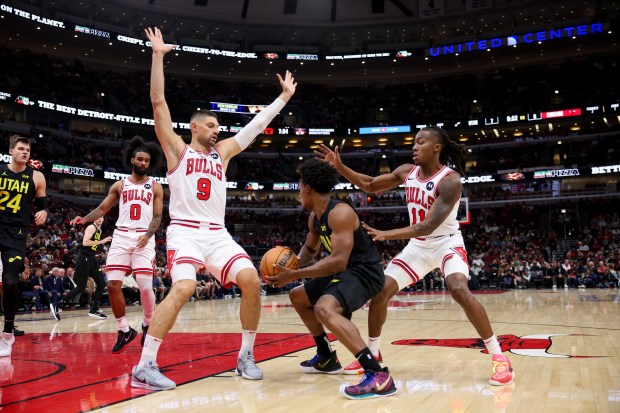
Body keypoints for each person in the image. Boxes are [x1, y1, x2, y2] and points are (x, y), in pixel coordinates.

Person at [130, 27, 297, 391]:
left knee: (252, 279)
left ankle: (245, 356)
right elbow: (158, 103)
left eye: (218, 126)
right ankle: (145, 365)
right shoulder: (177, 149)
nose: (216, 131)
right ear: (193, 127)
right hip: (186, 231)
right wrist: (157, 55)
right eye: (210, 125)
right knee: (185, 287)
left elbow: (255, 127)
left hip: (217, 234)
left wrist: (282, 99)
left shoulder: (222, 154)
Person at [315, 126, 514, 386]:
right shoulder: (408, 171)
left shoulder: (450, 180)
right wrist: (339, 166)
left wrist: (387, 234)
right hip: (418, 247)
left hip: (446, 242)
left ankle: (499, 358)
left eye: (421, 142)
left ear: (436, 147)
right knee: (380, 291)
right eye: (414, 142)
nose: (414, 147)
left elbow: (428, 225)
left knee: (458, 288)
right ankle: (373, 352)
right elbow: (370, 185)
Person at [267, 159, 396, 400]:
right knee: (297, 296)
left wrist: (293, 275)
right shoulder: (315, 218)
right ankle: (326, 356)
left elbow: (338, 261)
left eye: (299, 186)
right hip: (344, 272)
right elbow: (310, 250)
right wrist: (286, 266)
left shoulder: (340, 213)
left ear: (307, 188)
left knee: (324, 308)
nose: (298, 191)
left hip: (364, 273)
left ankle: (378, 374)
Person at [66, 136, 164, 353]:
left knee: (145, 286)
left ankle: (148, 323)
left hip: (143, 238)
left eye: (147, 161)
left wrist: (148, 235)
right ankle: (124, 330)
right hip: (121, 236)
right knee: (112, 286)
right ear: (132, 160)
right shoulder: (119, 185)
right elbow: (102, 209)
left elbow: (157, 217)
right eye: (140, 159)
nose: (143, 163)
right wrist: (84, 219)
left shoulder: (156, 187)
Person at [0, 135, 48, 356]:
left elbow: (43, 204)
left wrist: (43, 212)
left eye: (27, 149)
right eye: (20, 148)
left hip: (16, 235)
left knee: (10, 283)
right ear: (11, 151)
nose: (25, 152)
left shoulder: (37, 177)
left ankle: (8, 332)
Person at [53, 217, 111, 320]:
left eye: (101, 217)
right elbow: (85, 242)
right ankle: (58, 305)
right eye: (97, 217)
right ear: (94, 218)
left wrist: (104, 251)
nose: (99, 219)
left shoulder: (99, 230)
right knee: (81, 287)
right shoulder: (91, 227)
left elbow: (95, 244)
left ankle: (94, 309)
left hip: (92, 259)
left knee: (101, 283)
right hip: (84, 258)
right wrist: (102, 241)